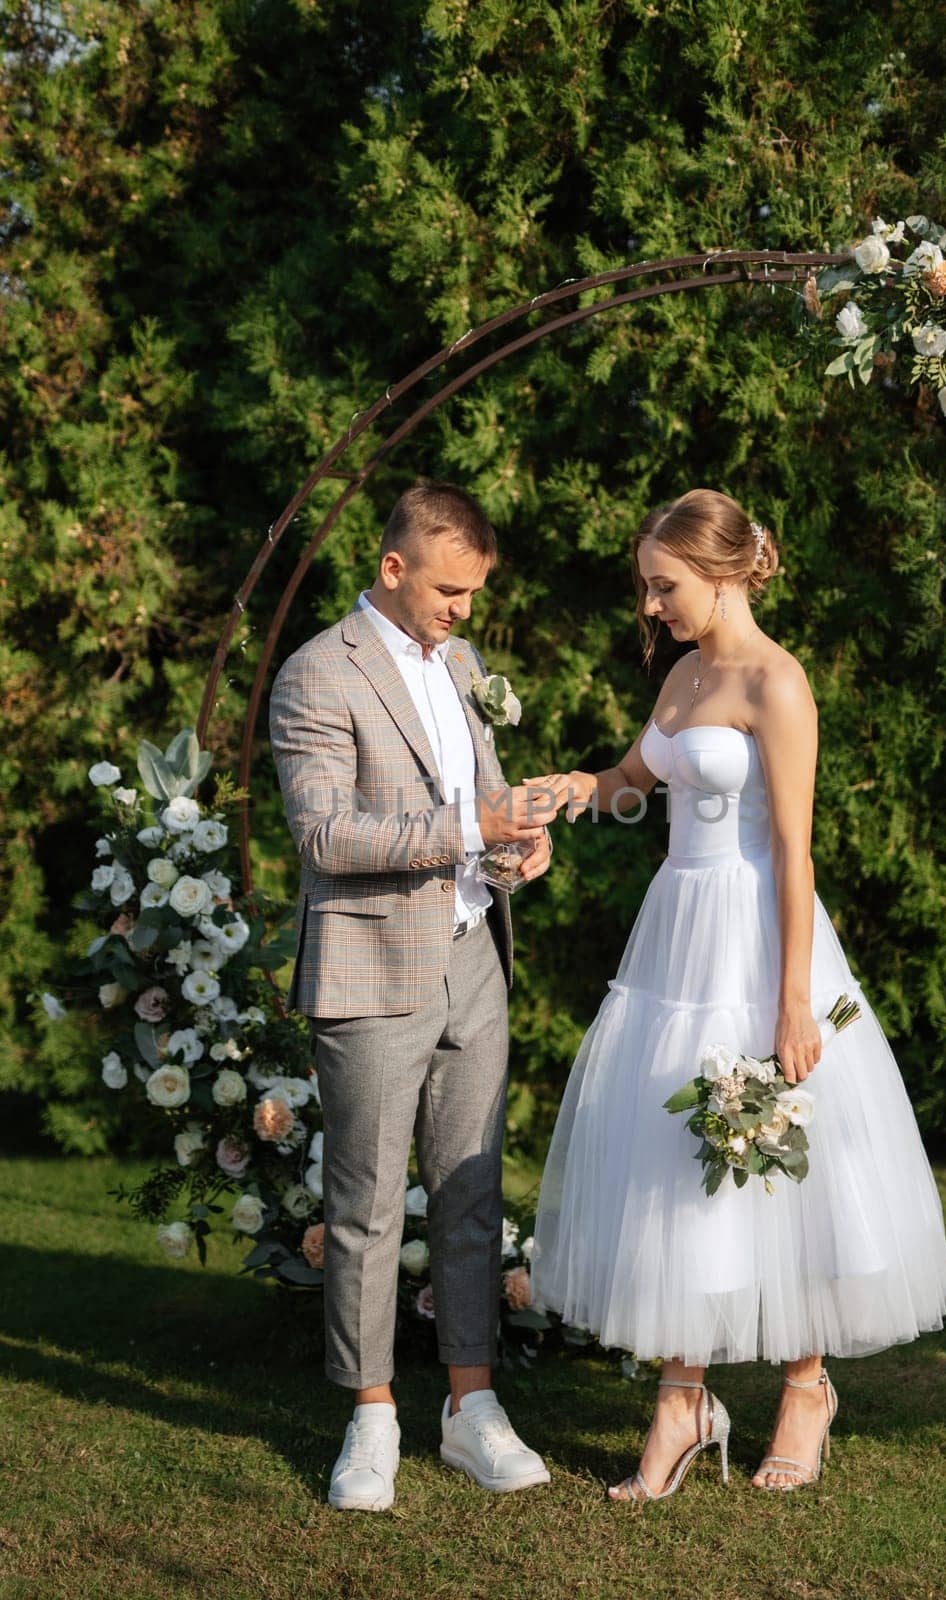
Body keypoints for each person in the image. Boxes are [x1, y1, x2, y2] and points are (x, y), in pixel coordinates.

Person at [527, 489, 946, 1499]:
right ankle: (683, 1396)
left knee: (784, 1167)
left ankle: (806, 1387)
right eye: (646, 586)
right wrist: (572, 789)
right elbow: (638, 778)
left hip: (760, 934)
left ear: (720, 573)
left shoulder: (778, 684)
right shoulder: (682, 674)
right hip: (676, 933)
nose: (650, 603)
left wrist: (794, 1000)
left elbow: (797, 854)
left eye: (662, 584)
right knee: (672, 1152)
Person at [269, 481, 559, 1512]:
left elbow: (480, 805)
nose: (464, 611)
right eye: (450, 590)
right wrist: (478, 827)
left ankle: (471, 1409)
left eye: (475, 593)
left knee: (474, 1197)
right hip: (372, 968)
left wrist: (521, 845)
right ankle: (374, 1413)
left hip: (476, 958)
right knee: (368, 1206)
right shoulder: (316, 674)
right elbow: (326, 838)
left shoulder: (462, 665)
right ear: (392, 570)